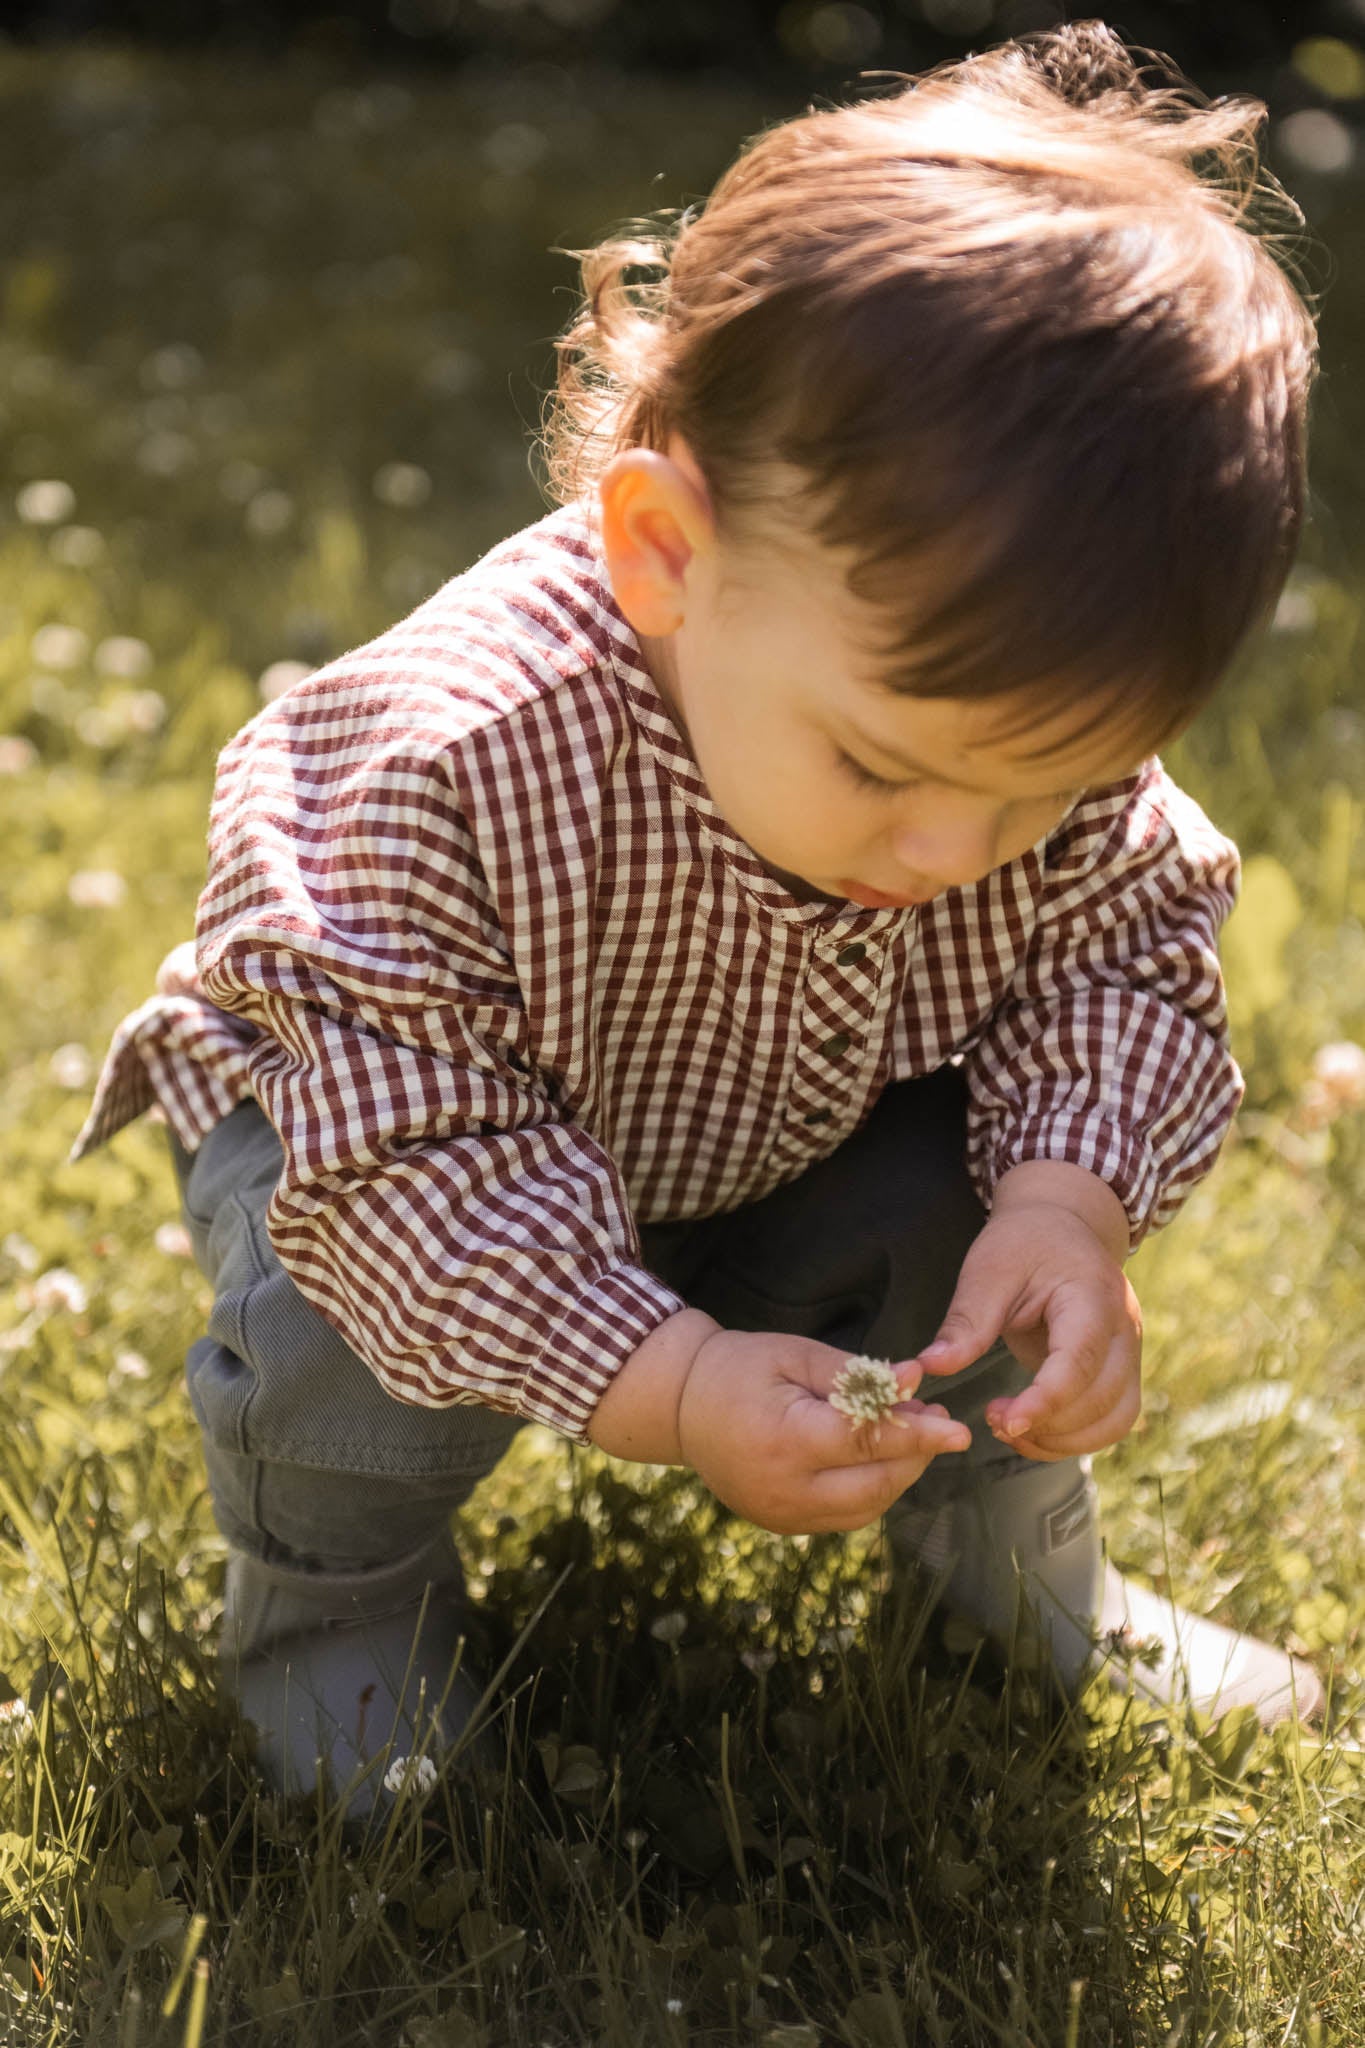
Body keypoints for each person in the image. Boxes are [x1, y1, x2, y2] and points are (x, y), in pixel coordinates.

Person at [74, 20, 1325, 1821]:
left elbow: (1119, 955)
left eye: (1045, 791)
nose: (961, 847)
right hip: (400, 1154)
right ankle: (330, 1612)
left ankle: (1018, 1564)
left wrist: (1064, 1204)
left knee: (964, 1222)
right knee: (350, 1351)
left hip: (757, 1118)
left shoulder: (996, 756)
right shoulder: (447, 759)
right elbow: (407, 1157)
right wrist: (666, 1384)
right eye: (879, 765)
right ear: (662, 547)